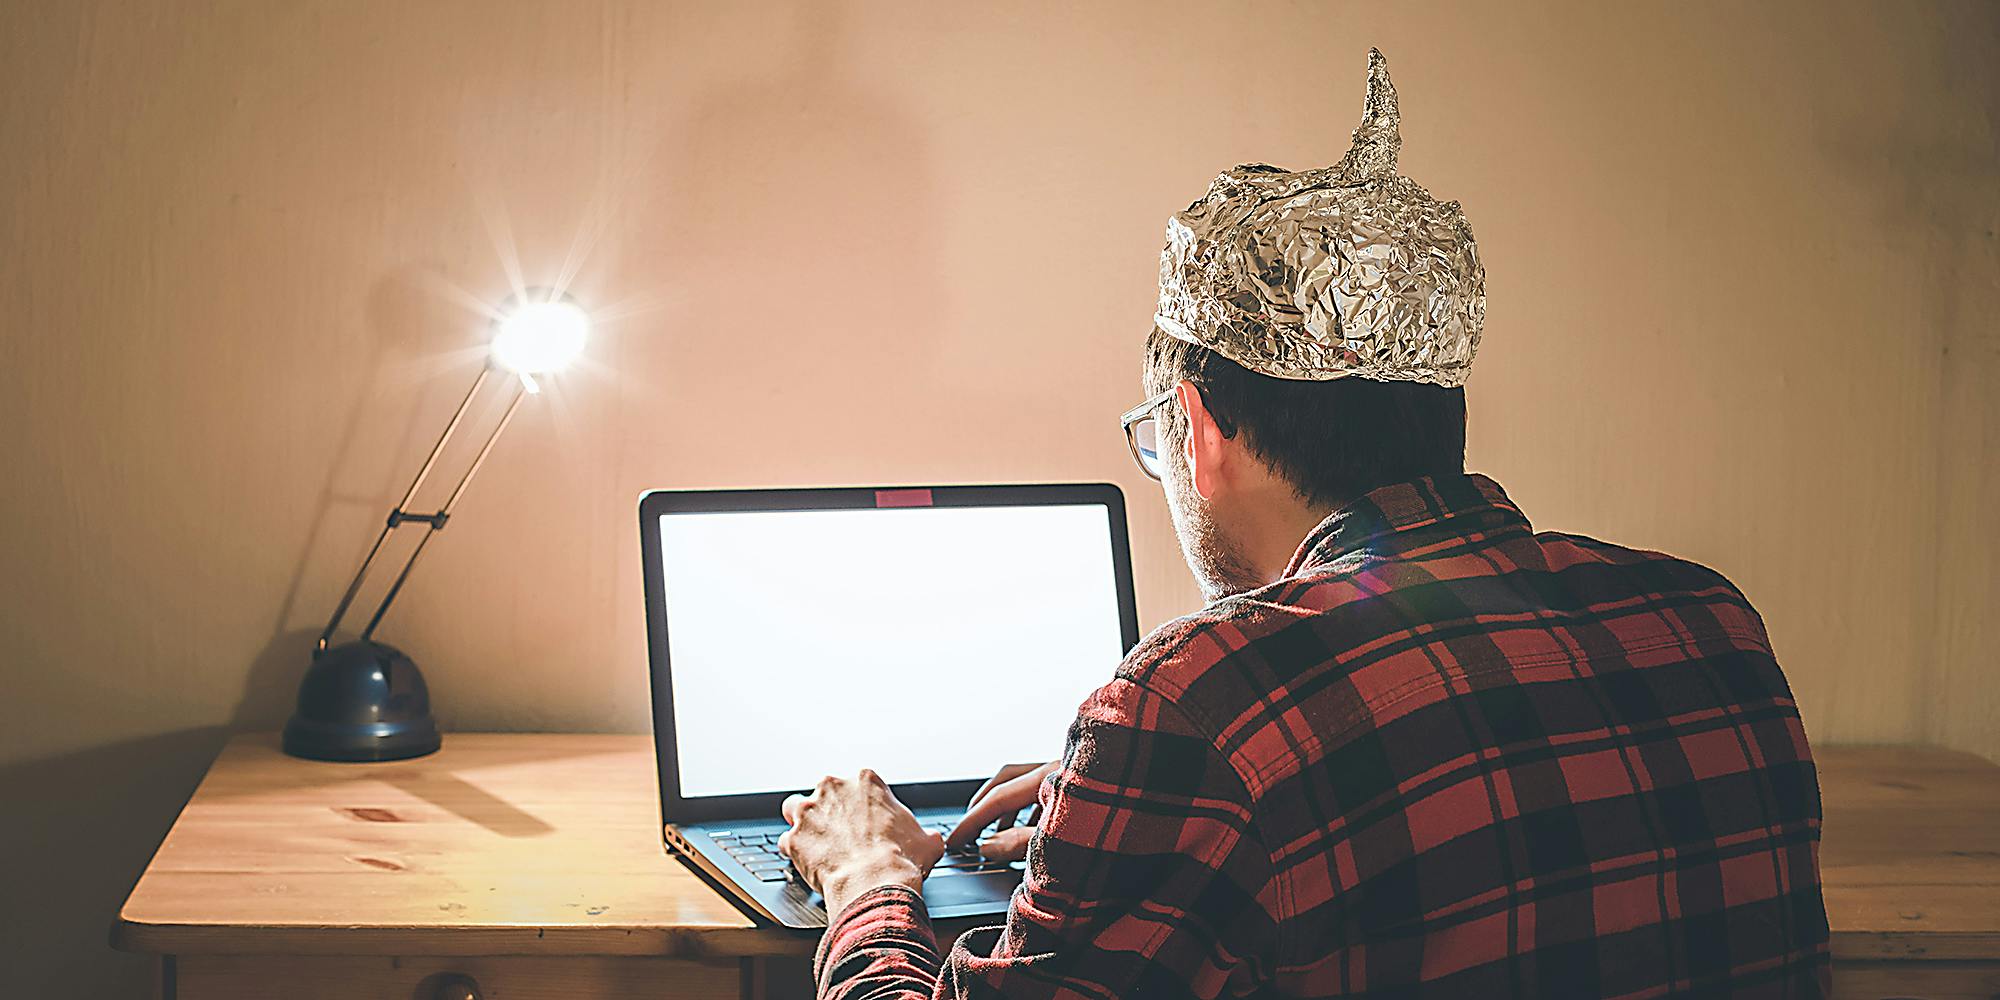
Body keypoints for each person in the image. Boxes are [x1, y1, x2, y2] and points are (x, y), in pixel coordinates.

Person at [777, 49, 1831, 999]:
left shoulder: (1195, 707)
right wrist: (1154, 815)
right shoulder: (1706, 621)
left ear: (1197, 428)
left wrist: (867, 873)